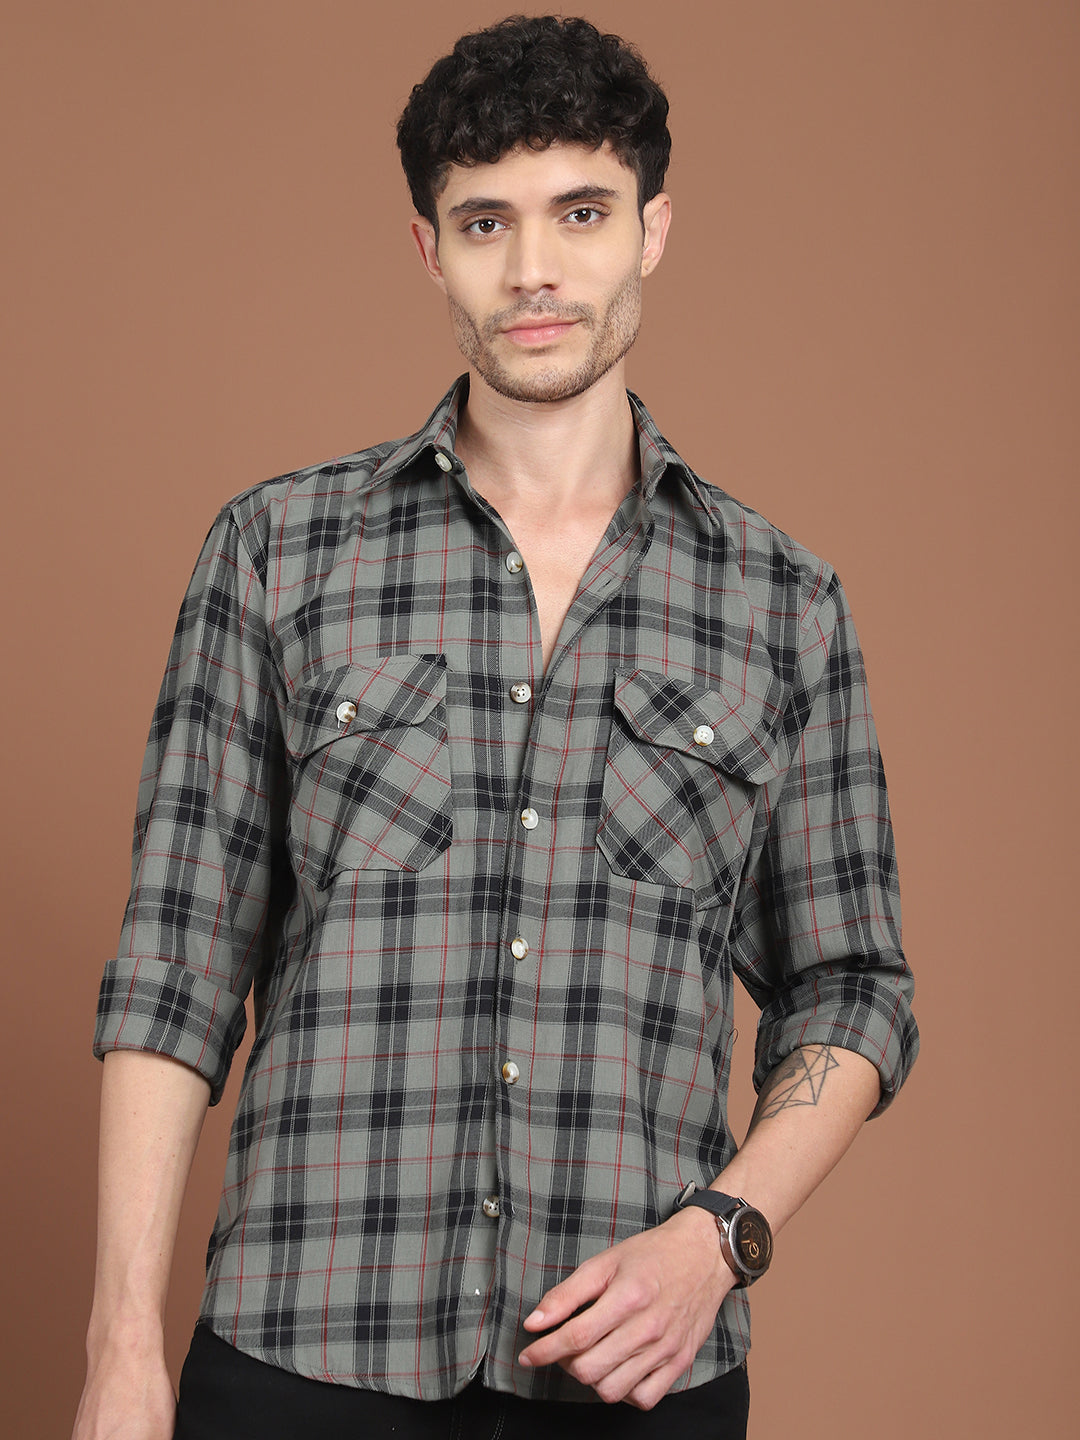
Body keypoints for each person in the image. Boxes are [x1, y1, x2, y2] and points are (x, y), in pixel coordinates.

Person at [74, 15, 918, 1440]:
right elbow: (175, 972)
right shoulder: (276, 553)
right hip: (303, 1350)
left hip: (635, 1376)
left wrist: (720, 1237)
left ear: (653, 230)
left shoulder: (783, 604)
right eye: (485, 222)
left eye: (581, 213)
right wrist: (118, 1350)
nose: (534, 269)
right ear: (428, 248)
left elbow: (854, 989)